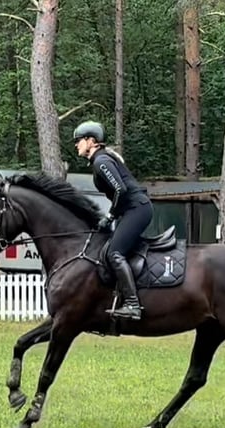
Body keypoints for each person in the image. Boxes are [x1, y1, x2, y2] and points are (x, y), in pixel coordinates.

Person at [73, 120, 153, 320]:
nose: (76, 144)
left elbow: (120, 190)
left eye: (79, 140)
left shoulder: (101, 161)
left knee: (114, 253)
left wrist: (110, 216)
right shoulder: (100, 160)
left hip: (137, 209)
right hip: (133, 210)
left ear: (91, 141)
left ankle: (133, 304)